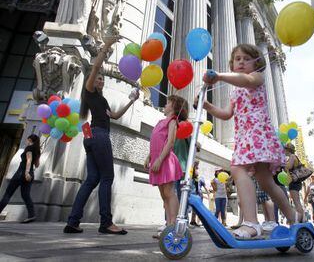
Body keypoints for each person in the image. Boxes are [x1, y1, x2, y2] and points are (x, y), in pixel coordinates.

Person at [196, 43, 298, 239]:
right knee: (266, 182)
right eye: (237, 59)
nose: (241, 61)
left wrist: (219, 76)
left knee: (239, 170)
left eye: (246, 58)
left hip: (258, 135)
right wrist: (208, 106)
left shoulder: (257, 78)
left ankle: (251, 223)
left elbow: (246, 81)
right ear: (232, 64)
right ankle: (293, 216)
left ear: (257, 63)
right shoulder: (235, 91)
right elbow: (226, 114)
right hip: (245, 138)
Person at [64, 36, 138, 235]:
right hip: (99, 136)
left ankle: (72, 221)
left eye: (102, 79)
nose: (101, 79)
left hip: (91, 138)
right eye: (98, 78)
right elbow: (95, 67)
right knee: (107, 177)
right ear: (91, 80)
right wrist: (106, 45)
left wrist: (131, 100)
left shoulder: (102, 100)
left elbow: (114, 116)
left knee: (92, 179)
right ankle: (106, 222)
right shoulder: (89, 92)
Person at [144, 95, 187, 231]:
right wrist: (149, 157)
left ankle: (173, 223)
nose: (165, 104)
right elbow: (155, 141)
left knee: (169, 192)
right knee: (163, 195)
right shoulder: (159, 122)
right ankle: (168, 223)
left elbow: (170, 142)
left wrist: (160, 159)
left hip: (165, 160)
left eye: (168, 103)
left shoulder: (173, 122)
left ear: (175, 108)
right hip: (156, 160)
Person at [0, 134, 40, 223]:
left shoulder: (29, 148)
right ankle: (31, 215)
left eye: (27, 140)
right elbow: (37, 165)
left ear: (29, 139)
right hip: (30, 174)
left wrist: (26, 172)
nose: (26, 141)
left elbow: (29, 160)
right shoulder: (37, 150)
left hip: (22, 172)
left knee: (8, 193)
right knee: (25, 195)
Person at [284, 143, 305, 223]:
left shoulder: (292, 156)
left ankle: (301, 219)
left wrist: (284, 163)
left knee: (296, 201)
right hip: (296, 181)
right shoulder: (292, 157)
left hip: (294, 181)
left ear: (287, 150)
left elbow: (289, 167)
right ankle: (302, 218)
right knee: (297, 201)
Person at [189, 160, 210, 226]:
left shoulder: (200, 178)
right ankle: (192, 220)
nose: (198, 170)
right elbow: (193, 173)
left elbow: (205, 187)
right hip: (192, 193)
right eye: (196, 168)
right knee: (190, 208)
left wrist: (208, 193)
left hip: (198, 194)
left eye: (198, 168)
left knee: (196, 209)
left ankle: (193, 220)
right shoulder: (191, 176)